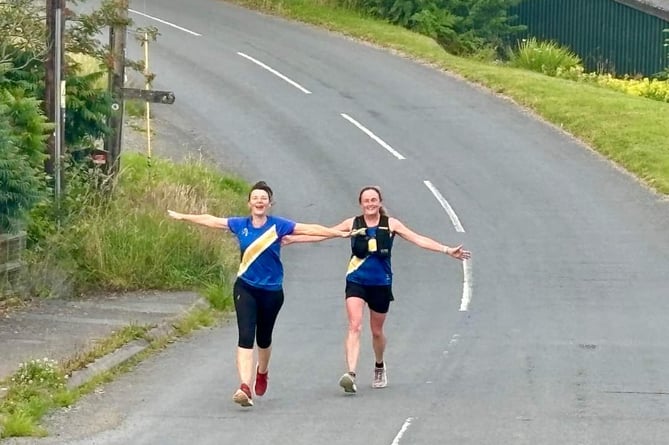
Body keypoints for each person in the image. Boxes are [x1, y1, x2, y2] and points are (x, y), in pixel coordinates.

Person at [167, 181, 349, 407]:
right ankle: (245, 387)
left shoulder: (278, 226)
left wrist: (338, 233)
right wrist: (184, 217)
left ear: (269, 203)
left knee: (263, 338)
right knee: (245, 336)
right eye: (256, 197)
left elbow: (309, 228)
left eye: (264, 198)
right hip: (245, 287)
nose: (259, 201)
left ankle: (262, 372)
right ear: (249, 202)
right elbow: (211, 220)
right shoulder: (239, 224)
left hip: (272, 291)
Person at [282, 185, 470, 394]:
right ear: (361, 204)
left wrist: (447, 250)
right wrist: (293, 239)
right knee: (354, 325)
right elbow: (325, 234)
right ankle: (350, 374)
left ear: (380, 203)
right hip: (356, 281)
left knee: (377, 331)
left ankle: (379, 365)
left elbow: (418, 239)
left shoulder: (390, 224)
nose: (370, 204)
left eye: (374, 200)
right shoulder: (353, 223)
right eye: (366, 201)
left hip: (381, 283)